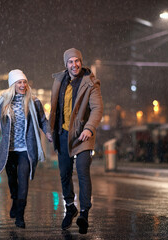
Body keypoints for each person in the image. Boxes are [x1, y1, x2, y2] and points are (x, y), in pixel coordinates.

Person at [0, 69, 52, 228]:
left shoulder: (33, 102)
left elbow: (43, 120)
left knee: (23, 181)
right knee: (12, 180)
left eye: (24, 82)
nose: (22, 85)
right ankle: (14, 198)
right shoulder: (3, 102)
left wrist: (48, 133)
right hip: (8, 151)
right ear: (12, 85)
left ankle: (20, 216)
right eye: (19, 82)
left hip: (25, 150)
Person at [48, 48, 103, 234]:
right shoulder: (59, 81)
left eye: (77, 60)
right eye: (70, 61)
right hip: (63, 134)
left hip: (82, 135)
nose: (74, 64)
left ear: (81, 61)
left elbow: (97, 109)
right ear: (66, 64)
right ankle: (70, 206)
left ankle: (84, 213)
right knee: (64, 173)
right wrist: (50, 130)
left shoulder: (91, 83)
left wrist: (89, 128)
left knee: (82, 171)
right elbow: (54, 109)